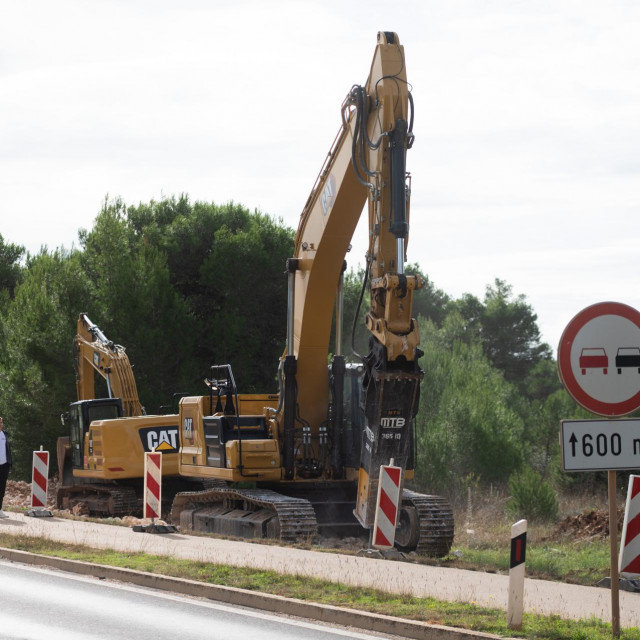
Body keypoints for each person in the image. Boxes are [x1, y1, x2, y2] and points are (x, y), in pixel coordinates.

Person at [0, 416, 12, 518]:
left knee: (1, 488)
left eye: (1, 422)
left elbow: (8, 449)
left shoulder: (5, 434)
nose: (0, 424)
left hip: (4, 465)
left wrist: (9, 463)